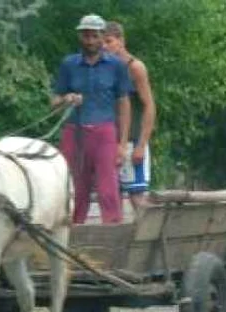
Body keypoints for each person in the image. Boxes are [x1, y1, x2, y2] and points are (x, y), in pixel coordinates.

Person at [52, 14, 131, 224]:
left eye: (94, 36)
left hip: (104, 131)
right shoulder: (69, 64)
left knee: (108, 189)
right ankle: (71, 233)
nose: (90, 41)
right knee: (74, 187)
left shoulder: (116, 65)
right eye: (85, 36)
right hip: (74, 131)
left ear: (102, 36)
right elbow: (54, 101)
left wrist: (122, 144)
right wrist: (66, 99)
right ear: (80, 36)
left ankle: (113, 236)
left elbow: (124, 104)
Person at [103, 20, 157, 214]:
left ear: (120, 41)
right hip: (109, 140)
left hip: (132, 141)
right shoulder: (104, 69)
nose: (104, 46)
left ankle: (148, 237)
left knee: (137, 196)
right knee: (111, 195)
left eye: (108, 41)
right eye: (102, 43)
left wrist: (142, 145)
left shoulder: (135, 68)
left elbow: (149, 106)